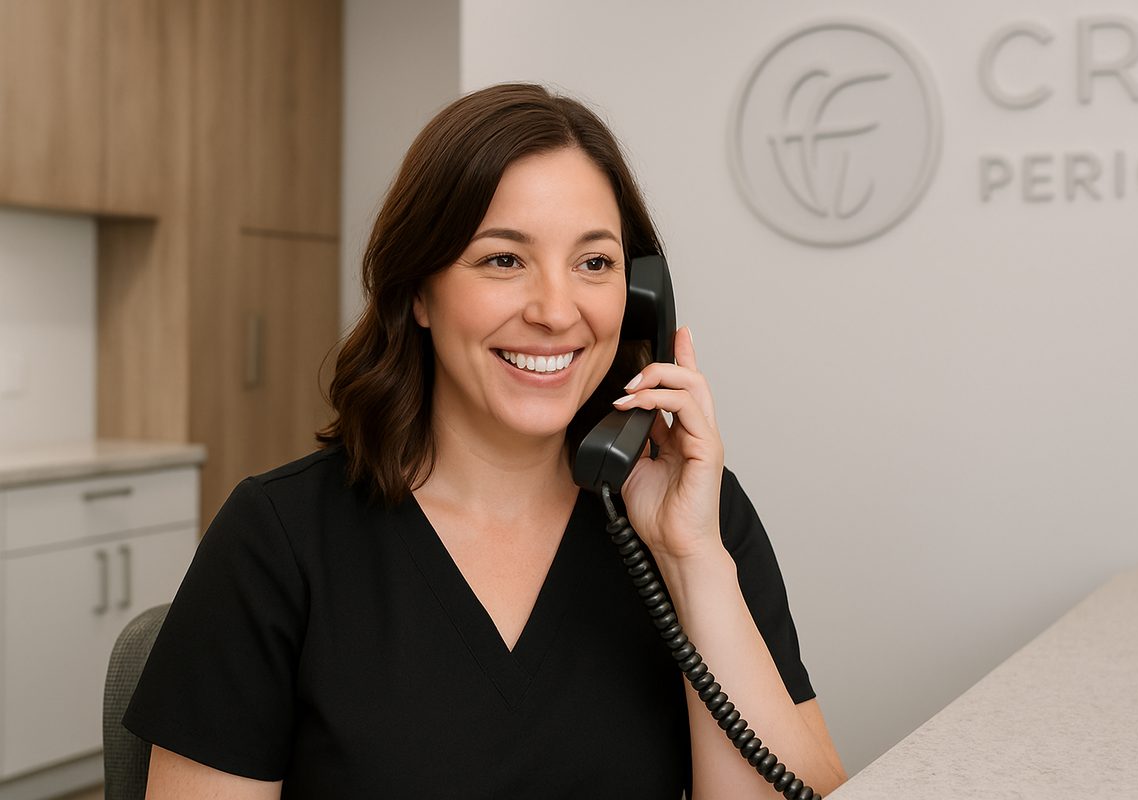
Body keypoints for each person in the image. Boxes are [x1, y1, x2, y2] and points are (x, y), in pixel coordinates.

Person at [124, 83, 847, 799]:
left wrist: (691, 564)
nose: (556, 311)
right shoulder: (278, 538)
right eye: (504, 259)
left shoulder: (695, 516)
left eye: (595, 263)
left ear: (641, 298)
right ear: (417, 291)